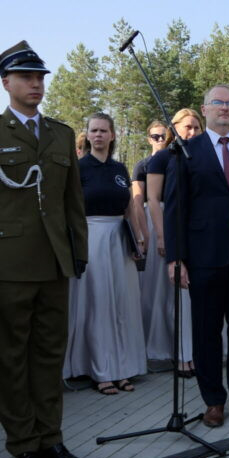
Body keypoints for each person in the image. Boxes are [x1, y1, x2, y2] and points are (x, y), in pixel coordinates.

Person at [0, 40, 89, 458]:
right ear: (5, 83)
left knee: (50, 355)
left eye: (40, 78)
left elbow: (72, 204)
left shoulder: (61, 133)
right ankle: (22, 444)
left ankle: (51, 437)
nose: (36, 84)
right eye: (27, 77)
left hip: (54, 262)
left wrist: (78, 252)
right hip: (8, 262)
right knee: (11, 356)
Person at [163, 85, 229, 427]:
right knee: (206, 331)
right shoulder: (185, 151)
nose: (224, 108)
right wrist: (176, 258)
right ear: (204, 109)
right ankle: (213, 401)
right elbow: (175, 208)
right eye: (217, 103)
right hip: (204, 255)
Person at [65, 113, 147, 394]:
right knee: (98, 305)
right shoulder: (78, 168)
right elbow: (70, 210)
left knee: (122, 305)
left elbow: (130, 208)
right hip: (91, 239)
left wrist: (137, 239)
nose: (98, 135)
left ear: (113, 135)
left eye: (104, 131)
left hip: (119, 239)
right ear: (87, 135)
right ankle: (101, 371)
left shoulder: (120, 169)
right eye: (94, 130)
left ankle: (123, 369)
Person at [144, 111, 201, 376]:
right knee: (174, 296)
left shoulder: (202, 157)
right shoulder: (163, 158)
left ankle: (193, 352)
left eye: (197, 127)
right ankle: (177, 354)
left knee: (194, 298)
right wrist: (161, 235)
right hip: (169, 227)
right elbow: (154, 199)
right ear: (174, 129)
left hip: (196, 229)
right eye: (188, 127)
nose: (192, 132)